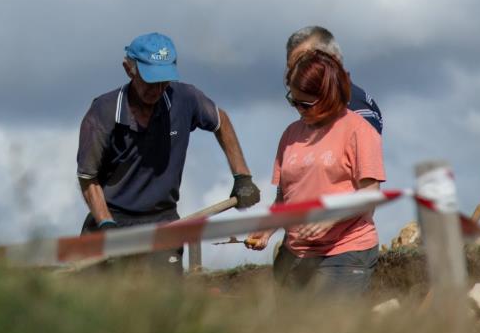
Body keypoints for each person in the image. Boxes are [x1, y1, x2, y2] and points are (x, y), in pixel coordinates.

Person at [76, 32, 261, 271]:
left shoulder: (185, 98)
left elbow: (220, 120)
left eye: (164, 81)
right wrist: (106, 225)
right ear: (128, 69)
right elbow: (87, 177)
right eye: (150, 80)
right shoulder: (103, 111)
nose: (158, 88)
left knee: (162, 305)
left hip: (162, 223)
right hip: (111, 221)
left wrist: (242, 177)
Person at [246, 49, 386, 295]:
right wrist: (268, 228)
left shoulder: (359, 131)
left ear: (329, 95)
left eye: (306, 104)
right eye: (293, 100)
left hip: (344, 252)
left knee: (331, 332)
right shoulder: (290, 135)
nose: (298, 109)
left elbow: (371, 194)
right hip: (294, 256)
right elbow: (284, 196)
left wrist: (329, 219)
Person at [285, 26, 382, 135]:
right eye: (292, 68)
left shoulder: (356, 107)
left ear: (332, 60)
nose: (297, 72)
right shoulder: (303, 124)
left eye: (304, 62)